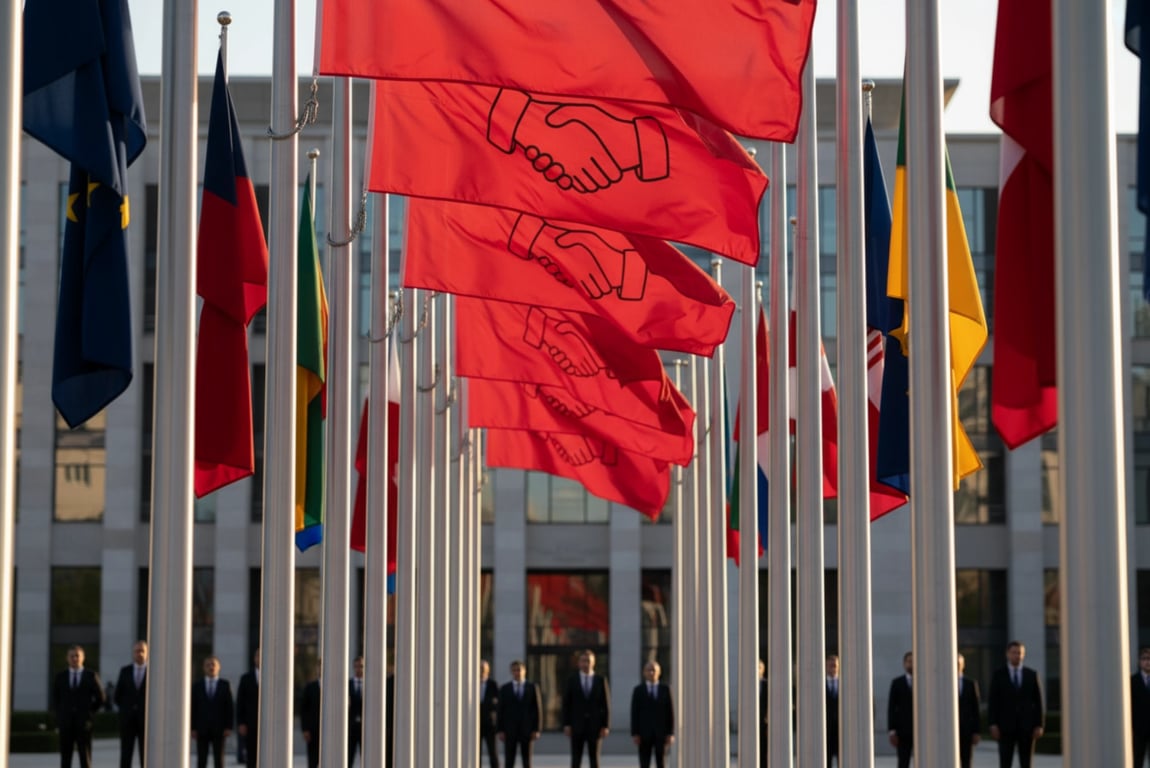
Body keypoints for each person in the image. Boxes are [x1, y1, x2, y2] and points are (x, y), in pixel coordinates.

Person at [988, 641, 1044, 768]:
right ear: (1007, 654)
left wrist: (1039, 725)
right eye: (1014, 652)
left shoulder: (1031, 675)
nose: (1017, 655)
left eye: (1020, 653)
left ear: (1023, 655)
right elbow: (993, 701)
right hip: (1005, 727)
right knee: (1005, 762)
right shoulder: (999, 675)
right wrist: (993, 724)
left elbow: (1038, 702)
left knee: (1026, 762)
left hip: (1027, 727)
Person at [53, 644, 106, 768]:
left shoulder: (91, 676)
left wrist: (90, 712)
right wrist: (60, 717)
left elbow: (101, 698)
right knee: (65, 757)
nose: (75, 658)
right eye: (72, 656)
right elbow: (56, 699)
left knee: (85, 756)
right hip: (66, 723)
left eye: (77, 656)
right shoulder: (60, 677)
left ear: (83, 657)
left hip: (84, 723)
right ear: (67, 658)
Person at [562, 649, 611, 768]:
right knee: (576, 759)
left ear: (593, 663)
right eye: (583, 661)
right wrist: (567, 724)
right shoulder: (572, 680)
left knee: (594, 759)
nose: (586, 664)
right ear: (579, 663)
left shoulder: (600, 680)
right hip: (576, 725)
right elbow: (567, 704)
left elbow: (605, 704)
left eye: (588, 661)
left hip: (595, 726)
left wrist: (605, 725)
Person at [190, 655, 235, 768]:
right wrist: (192, 728)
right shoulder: (197, 685)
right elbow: (193, 707)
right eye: (208, 665)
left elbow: (229, 707)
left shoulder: (225, 685)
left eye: (213, 665)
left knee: (219, 759)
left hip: (219, 729)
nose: (211, 667)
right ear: (204, 668)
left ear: (218, 667)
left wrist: (228, 727)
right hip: (201, 728)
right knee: (201, 759)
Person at [497, 659, 542, 768]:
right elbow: (500, 710)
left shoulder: (532, 687)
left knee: (527, 761)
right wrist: (500, 730)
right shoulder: (505, 688)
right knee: (509, 761)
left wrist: (536, 729)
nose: (517, 672)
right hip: (510, 730)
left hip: (527, 730)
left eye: (519, 670)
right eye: (514, 670)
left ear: (524, 671)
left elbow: (537, 709)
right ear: (511, 672)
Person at [630, 661, 674, 768]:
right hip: (644, 733)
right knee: (644, 763)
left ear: (659, 672)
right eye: (648, 670)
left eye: (654, 670)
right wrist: (635, 733)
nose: (651, 673)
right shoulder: (638, 690)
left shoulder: (665, 689)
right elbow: (634, 712)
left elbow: (670, 712)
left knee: (661, 762)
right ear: (644, 672)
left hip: (661, 733)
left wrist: (670, 733)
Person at [114, 641, 148, 768]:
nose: (140, 654)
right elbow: (117, 696)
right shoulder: (125, 671)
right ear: (133, 653)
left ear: (147, 653)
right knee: (126, 753)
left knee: (146, 754)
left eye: (142, 651)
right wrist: (126, 709)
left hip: (146, 720)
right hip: (128, 720)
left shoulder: (153, 671)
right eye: (137, 651)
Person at [887, 651, 914, 768]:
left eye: (913, 661)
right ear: (904, 664)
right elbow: (892, 707)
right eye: (909, 661)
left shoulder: (924, 682)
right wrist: (892, 730)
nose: (911, 664)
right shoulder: (897, 683)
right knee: (903, 762)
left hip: (922, 730)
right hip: (903, 731)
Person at [235, 648, 260, 768]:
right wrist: (241, 723)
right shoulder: (245, 678)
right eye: (258, 656)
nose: (260, 658)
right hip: (250, 724)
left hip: (268, 724)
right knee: (251, 756)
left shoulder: (274, 677)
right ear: (254, 658)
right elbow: (240, 702)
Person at [958, 653, 982, 768]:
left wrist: (976, 731)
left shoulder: (971, 684)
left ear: (963, 665)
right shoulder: (944, 683)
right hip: (949, 730)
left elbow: (975, 709)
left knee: (966, 760)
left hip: (966, 730)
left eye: (959, 663)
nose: (957, 665)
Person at [480, 659, 501, 768]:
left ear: (488, 670)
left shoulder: (493, 684)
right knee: (476, 752)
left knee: (493, 752)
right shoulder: (471, 682)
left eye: (483, 668)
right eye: (479, 668)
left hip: (490, 723)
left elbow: (499, 703)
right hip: (476, 723)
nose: (481, 671)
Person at [301, 663, 321, 768]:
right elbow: (304, 710)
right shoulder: (310, 687)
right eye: (319, 667)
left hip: (330, 732)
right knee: (312, 761)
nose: (321, 669)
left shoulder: (334, 688)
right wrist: (305, 729)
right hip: (313, 731)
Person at [1133, 648, 1150, 767]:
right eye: (1145, 659)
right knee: (1137, 760)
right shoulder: (1132, 681)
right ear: (1139, 662)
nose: (1148, 662)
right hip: (1139, 730)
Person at [349, 656, 364, 766]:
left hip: (364, 728)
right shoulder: (347, 684)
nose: (359, 669)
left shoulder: (370, 684)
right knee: (349, 756)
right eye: (357, 666)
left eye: (361, 666)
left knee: (366, 756)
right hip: (351, 727)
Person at [826, 654, 840, 768]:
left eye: (834, 665)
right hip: (826, 728)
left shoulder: (846, 683)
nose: (833, 667)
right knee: (827, 758)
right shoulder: (819, 683)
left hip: (842, 727)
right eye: (830, 665)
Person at [758, 660, 768, 768]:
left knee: (764, 748)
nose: (757, 670)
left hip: (764, 722)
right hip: (752, 722)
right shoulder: (747, 684)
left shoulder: (767, 684)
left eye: (759, 667)